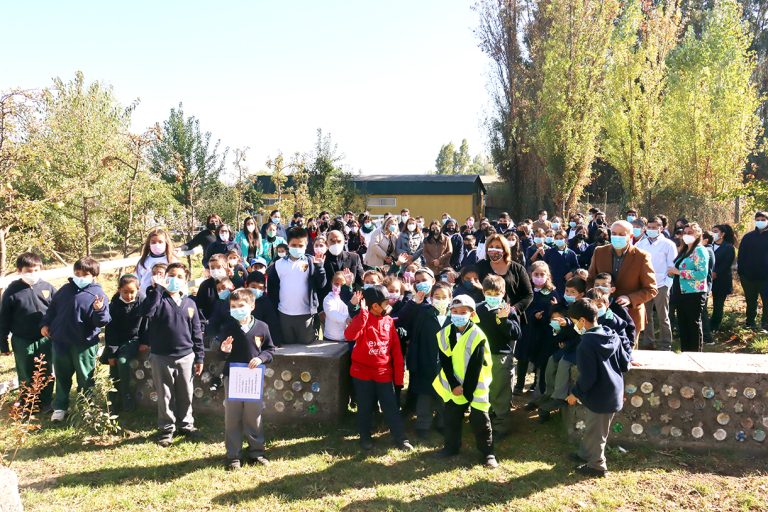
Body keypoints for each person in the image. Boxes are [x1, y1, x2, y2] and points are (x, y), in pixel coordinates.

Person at [139, 262, 204, 447]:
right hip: (161, 356)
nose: (175, 279)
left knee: (186, 392)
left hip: (186, 356)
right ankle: (167, 428)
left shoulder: (190, 303)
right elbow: (147, 312)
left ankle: (186, 424)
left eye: (180, 276)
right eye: (171, 275)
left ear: (186, 280)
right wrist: (158, 289)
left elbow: (196, 332)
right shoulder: (157, 298)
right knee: (165, 394)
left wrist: (199, 356)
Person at [343, 285, 413, 452]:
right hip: (362, 373)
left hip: (383, 373)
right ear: (374, 306)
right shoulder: (362, 320)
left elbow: (396, 351)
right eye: (385, 303)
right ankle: (365, 437)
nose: (388, 306)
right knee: (365, 407)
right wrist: (362, 317)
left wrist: (398, 377)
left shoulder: (388, 322)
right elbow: (349, 335)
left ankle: (400, 438)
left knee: (391, 407)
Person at [41, 257, 110, 422]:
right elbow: (52, 310)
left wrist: (99, 310)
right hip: (60, 341)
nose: (80, 277)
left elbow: (103, 321)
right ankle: (60, 407)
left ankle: (86, 407)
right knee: (62, 376)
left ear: (94, 275)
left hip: (83, 344)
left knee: (85, 377)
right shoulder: (65, 289)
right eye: (77, 273)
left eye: (85, 274)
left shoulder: (98, 294)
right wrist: (45, 323)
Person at [433, 295, 498, 468]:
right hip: (455, 385)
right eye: (455, 311)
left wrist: (467, 391)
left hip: (475, 384)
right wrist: (454, 385)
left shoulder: (477, 335)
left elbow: (476, 365)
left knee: (480, 420)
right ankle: (451, 447)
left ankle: (488, 453)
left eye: (463, 312)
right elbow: (444, 360)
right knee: (451, 417)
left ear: (471, 314)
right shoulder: (445, 333)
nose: (458, 315)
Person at [566, 298, 628, 478]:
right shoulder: (611, 334)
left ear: (582, 321)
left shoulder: (586, 344)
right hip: (614, 390)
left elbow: (588, 377)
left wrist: (574, 394)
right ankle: (584, 454)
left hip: (600, 395)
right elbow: (624, 363)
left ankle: (597, 466)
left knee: (597, 432)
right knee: (594, 428)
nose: (574, 326)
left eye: (574, 322)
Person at [219, 288, 276, 470]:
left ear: (251, 306)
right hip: (233, 378)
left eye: (241, 305)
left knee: (254, 416)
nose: (237, 309)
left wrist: (261, 358)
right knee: (232, 417)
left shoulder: (262, 327)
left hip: (253, 380)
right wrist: (224, 350)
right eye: (233, 306)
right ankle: (233, 455)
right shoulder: (228, 327)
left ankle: (256, 452)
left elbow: (270, 350)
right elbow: (220, 354)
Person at [0, 252, 57, 412]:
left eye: (36, 270)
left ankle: (46, 401)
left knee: (46, 370)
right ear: (19, 271)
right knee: (26, 371)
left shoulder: (47, 287)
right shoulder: (12, 292)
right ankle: (28, 402)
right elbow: (3, 319)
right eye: (28, 271)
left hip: (45, 338)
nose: (33, 274)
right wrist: (3, 344)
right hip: (22, 340)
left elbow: (57, 309)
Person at [587, 220, 657, 344]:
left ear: (630, 236)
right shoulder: (599, 252)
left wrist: (630, 298)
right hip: (600, 315)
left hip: (630, 316)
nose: (617, 237)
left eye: (621, 234)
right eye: (614, 233)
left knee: (627, 357)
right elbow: (590, 280)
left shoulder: (642, 257)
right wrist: (594, 296)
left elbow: (651, 289)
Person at [397, 281, 452, 438]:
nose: (440, 300)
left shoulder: (454, 316)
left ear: (450, 298)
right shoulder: (423, 312)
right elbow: (403, 319)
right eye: (437, 296)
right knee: (425, 395)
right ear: (431, 297)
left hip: (445, 362)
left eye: (444, 297)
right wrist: (415, 303)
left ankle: (442, 422)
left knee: (444, 394)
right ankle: (423, 423)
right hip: (424, 359)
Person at [476, 275, 521, 437]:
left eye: (497, 294)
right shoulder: (478, 309)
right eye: (489, 293)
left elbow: (516, 334)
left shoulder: (508, 311)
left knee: (500, 389)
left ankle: (501, 424)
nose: (493, 297)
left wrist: (504, 321)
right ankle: (486, 417)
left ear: (503, 293)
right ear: (483, 292)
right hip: (481, 355)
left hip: (500, 356)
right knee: (483, 387)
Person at [266, 227, 327, 345]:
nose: (297, 248)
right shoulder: (278, 264)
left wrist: (320, 267)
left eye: (300, 245)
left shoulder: (311, 262)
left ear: (306, 245)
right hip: (284, 314)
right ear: (288, 244)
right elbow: (272, 289)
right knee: (287, 344)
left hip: (306, 314)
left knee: (306, 343)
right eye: (293, 245)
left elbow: (321, 284)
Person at [102, 274, 146, 413]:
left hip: (134, 340)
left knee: (122, 361)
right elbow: (110, 331)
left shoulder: (142, 302)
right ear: (119, 290)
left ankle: (127, 394)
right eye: (125, 292)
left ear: (138, 290)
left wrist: (145, 341)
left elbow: (146, 324)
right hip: (117, 341)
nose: (129, 295)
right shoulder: (113, 306)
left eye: (132, 292)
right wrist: (111, 352)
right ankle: (113, 400)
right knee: (113, 366)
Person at [516, 261, 560, 396]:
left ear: (548, 276)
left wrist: (547, 313)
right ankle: (519, 384)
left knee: (539, 358)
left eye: (542, 274)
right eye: (536, 274)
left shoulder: (552, 291)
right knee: (523, 357)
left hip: (543, 331)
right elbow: (520, 307)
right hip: (527, 328)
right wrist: (532, 315)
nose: (539, 277)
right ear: (530, 274)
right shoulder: (525, 290)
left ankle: (535, 384)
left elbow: (556, 310)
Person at [636, 217, 678, 351]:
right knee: (647, 316)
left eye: (655, 227)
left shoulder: (668, 244)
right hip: (645, 286)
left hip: (662, 284)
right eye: (649, 227)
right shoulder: (641, 244)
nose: (651, 230)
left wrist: (667, 283)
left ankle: (666, 344)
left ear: (661, 228)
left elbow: (672, 266)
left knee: (663, 316)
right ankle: (649, 341)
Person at [668, 223, 710, 352]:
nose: (686, 235)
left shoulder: (700, 250)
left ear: (698, 234)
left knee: (693, 324)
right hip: (681, 292)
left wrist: (679, 272)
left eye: (690, 232)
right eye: (684, 232)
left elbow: (701, 273)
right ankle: (685, 351)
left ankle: (695, 353)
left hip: (694, 293)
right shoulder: (684, 250)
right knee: (683, 324)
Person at [476, 234, 533, 318]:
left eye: (498, 247)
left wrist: (513, 310)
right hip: (485, 317)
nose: (494, 249)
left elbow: (528, 295)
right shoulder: (480, 266)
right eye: (491, 246)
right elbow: (465, 274)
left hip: (510, 318)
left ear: (504, 249)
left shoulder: (518, 269)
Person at [737, 211, 768, 331]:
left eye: (763, 219)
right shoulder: (748, 237)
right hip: (748, 277)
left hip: (766, 277)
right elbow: (741, 255)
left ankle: (765, 324)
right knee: (750, 301)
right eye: (758, 219)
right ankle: (750, 323)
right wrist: (742, 273)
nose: (760, 221)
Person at [321, 230, 364, 301]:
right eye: (332, 241)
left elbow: (361, 279)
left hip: (349, 301)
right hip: (327, 301)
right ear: (326, 243)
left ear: (344, 242)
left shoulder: (354, 257)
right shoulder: (321, 259)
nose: (335, 244)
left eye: (339, 241)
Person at [709, 224, 737, 332]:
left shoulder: (729, 247)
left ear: (722, 234)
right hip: (706, 279)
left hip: (721, 280)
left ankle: (715, 325)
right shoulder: (709, 245)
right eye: (712, 231)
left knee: (718, 304)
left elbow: (726, 263)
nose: (713, 234)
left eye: (716, 231)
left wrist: (715, 273)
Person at [135, 228, 176, 293]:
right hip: (144, 297)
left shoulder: (172, 261)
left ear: (166, 243)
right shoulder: (143, 261)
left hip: (164, 298)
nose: (157, 245)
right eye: (153, 242)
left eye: (160, 242)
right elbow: (137, 279)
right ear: (149, 244)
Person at [323, 272, 351, 342]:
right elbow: (332, 313)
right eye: (336, 284)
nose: (339, 287)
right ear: (332, 283)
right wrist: (346, 319)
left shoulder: (347, 298)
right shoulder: (328, 298)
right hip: (330, 338)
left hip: (345, 338)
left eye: (342, 285)